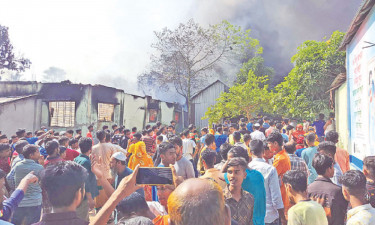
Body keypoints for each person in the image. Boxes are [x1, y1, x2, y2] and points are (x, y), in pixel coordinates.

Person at [222, 146, 266, 225]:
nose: (232, 175)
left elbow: (220, 174)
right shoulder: (258, 175)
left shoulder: (249, 196)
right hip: (260, 220)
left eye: (230, 160)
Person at [248, 140, 285, 225]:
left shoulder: (246, 169)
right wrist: (282, 217)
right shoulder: (270, 169)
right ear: (263, 151)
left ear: (250, 152)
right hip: (269, 216)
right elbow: (276, 197)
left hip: (251, 216)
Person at [308, 153, 347, 225]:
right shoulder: (337, 191)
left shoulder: (308, 189)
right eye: (332, 167)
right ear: (328, 169)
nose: (334, 169)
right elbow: (340, 215)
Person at [12, 144, 44, 225]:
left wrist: (17, 187)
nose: (39, 154)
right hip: (34, 201)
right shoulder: (39, 167)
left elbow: (9, 178)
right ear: (31, 155)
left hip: (19, 200)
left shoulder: (17, 165)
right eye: (37, 152)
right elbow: (44, 182)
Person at [73, 137, 99, 221]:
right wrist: (90, 198)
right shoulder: (86, 162)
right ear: (90, 148)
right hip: (83, 197)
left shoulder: (76, 159)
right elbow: (86, 182)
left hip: (77, 195)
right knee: (82, 219)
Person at [224, 157, 254, 225]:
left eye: (236, 172)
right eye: (230, 172)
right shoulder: (220, 198)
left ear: (244, 175)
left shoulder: (249, 198)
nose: (232, 176)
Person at [267, 131, 291, 214]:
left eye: (269, 143)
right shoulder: (282, 155)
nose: (268, 146)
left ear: (275, 143)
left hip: (281, 194)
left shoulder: (279, 159)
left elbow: (269, 177)